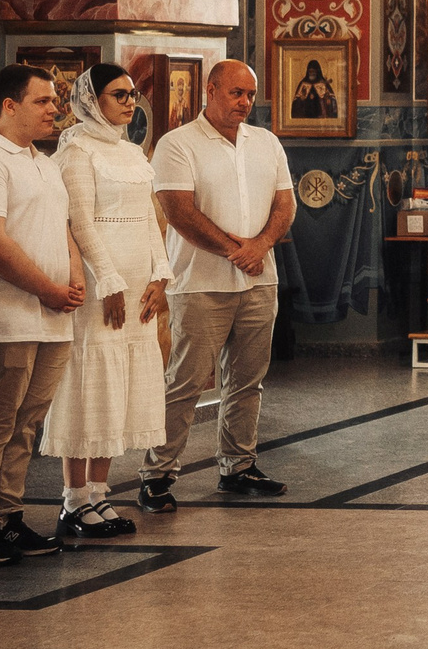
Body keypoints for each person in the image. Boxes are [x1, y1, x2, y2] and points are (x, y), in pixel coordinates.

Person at [140, 61, 295, 510]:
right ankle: (157, 474)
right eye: (236, 93)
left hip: (259, 281)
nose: (245, 102)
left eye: (250, 94)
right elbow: (178, 211)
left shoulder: (265, 142)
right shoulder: (178, 144)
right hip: (199, 282)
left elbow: (285, 204)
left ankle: (238, 466)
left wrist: (261, 245)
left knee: (248, 381)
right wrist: (235, 250)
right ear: (209, 90)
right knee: (185, 383)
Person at [0, 65, 85, 567]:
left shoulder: (43, 162)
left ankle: (7, 514)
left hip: (52, 317)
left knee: (27, 423)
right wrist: (48, 289)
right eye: (44, 101)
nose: (55, 109)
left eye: (55, 101)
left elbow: (62, 227)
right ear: (10, 105)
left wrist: (74, 275)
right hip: (8, 317)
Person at [44, 67, 171, 543]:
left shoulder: (133, 152)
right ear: (91, 99)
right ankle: (73, 499)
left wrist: (160, 277)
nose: (130, 101)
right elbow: (81, 223)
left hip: (138, 288)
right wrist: (108, 281)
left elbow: (147, 220)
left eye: (133, 94)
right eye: (119, 94)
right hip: (102, 290)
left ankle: (99, 492)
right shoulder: (75, 151)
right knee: (89, 386)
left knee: (119, 391)